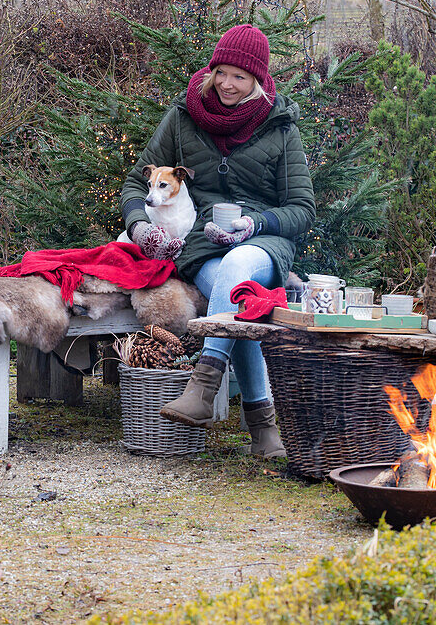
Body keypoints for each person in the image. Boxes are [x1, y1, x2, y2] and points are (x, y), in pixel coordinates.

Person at [119, 24, 316, 459]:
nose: (227, 83)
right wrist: (138, 226)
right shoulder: (184, 116)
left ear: (259, 81)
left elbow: (303, 209)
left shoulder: (280, 128)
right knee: (239, 298)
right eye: (221, 72)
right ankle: (263, 429)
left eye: (240, 77)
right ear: (211, 71)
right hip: (203, 244)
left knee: (240, 266)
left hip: (262, 243)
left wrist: (256, 223)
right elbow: (136, 183)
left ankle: (203, 386)